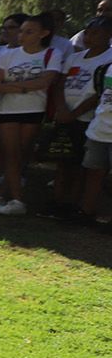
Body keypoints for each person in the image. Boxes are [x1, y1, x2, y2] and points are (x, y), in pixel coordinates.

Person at [0, 14, 63, 216]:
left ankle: (4, 195)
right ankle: (17, 199)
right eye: (21, 31)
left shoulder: (51, 54)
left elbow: (45, 81)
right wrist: (25, 87)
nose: (22, 35)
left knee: (21, 154)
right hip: (8, 110)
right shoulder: (7, 55)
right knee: (11, 153)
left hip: (33, 109)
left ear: (44, 34)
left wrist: (12, 86)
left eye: (29, 31)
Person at [54, 16, 112, 219]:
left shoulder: (109, 59)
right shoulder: (75, 57)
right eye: (87, 32)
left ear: (109, 35)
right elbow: (61, 84)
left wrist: (74, 113)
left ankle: (77, 205)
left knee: (82, 166)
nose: (89, 37)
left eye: (96, 33)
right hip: (71, 117)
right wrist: (61, 109)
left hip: (88, 119)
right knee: (65, 161)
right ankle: (59, 204)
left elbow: (98, 94)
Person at [76, 33, 112, 222]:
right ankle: (86, 212)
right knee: (93, 172)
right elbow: (99, 96)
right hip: (99, 129)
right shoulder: (104, 69)